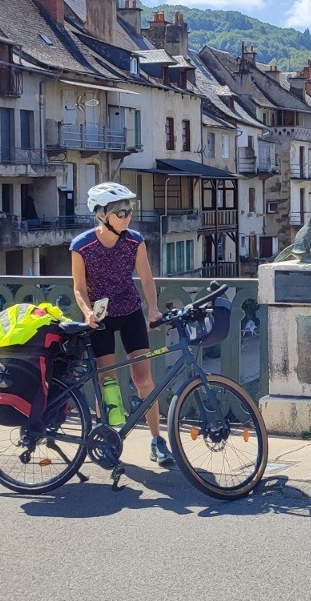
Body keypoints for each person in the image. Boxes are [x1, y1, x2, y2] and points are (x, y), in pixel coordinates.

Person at [70, 182, 171, 466]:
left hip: (130, 312)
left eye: (129, 211)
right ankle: (107, 438)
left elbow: (147, 279)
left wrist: (153, 309)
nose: (127, 218)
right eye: (121, 213)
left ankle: (157, 440)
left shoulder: (134, 241)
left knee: (144, 379)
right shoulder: (81, 246)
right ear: (102, 215)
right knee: (108, 381)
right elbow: (78, 288)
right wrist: (87, 313)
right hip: (100, 319)